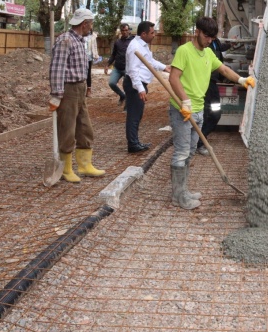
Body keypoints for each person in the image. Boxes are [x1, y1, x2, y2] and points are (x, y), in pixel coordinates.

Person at [168, 17, 255, 209]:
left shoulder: (208, 52)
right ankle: (178, 196)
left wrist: (241, 80)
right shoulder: (184, 51)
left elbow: (223, 69)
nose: (209, 41)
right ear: (197, 31)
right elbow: (174, 78)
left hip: (198, 109)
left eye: (212, 37)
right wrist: (185, 101)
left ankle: (183, 190)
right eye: (207, 36)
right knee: (181, 152)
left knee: (190, 152)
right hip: (183, 110)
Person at [48, 9, 106, 182]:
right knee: (67, 128)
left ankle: (84, 165)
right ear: (84, 23)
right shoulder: (65, 40)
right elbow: (57, 69)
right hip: (69, 89)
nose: (91, 27)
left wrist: (87, 86)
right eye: (91, 23)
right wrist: (56, 95)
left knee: (84, 127)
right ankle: (65, 169)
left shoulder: (79, 41)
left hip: (79, 88)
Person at [124, 21, 170, 153]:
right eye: (152, 33)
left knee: (137, 115)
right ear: (143, 34)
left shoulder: (143, 45)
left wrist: (164, 67)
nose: (154, 35)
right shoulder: (135, 47)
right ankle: (133, 144)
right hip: (134, 85)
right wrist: (140, 89)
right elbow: (133, 71)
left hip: (139, 84)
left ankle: (135, 141)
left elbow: (149, 62)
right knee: (134, 115)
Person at [196, 36, 231, 156]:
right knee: (207, 114)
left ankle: (200, 139)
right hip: (207, 84)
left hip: (213, 83)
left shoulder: (215, 42)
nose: (210, 40)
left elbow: (221, 57)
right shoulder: (205, 47)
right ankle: (199, 142)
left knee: (215, 114)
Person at [105, 24, 133, 107]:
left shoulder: (132, 42)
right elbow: (113, 55)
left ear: (129, 30)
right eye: (123, 30)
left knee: (126, 86)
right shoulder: (118, 42)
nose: (124, 32)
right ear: (121, 31)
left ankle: (127, 106)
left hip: (127, 69)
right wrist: (107, 65)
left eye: (126, 30)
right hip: (117, 67)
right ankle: (122, 95)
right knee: (112, 83)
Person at [84, 30, 99, 97]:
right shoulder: (81, 34)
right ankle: (81, 90)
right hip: (81, 57)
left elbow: (95, 46)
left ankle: (89, 90)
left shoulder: (93, 36)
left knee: (88, 73)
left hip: (89, 57)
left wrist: (96, 55)